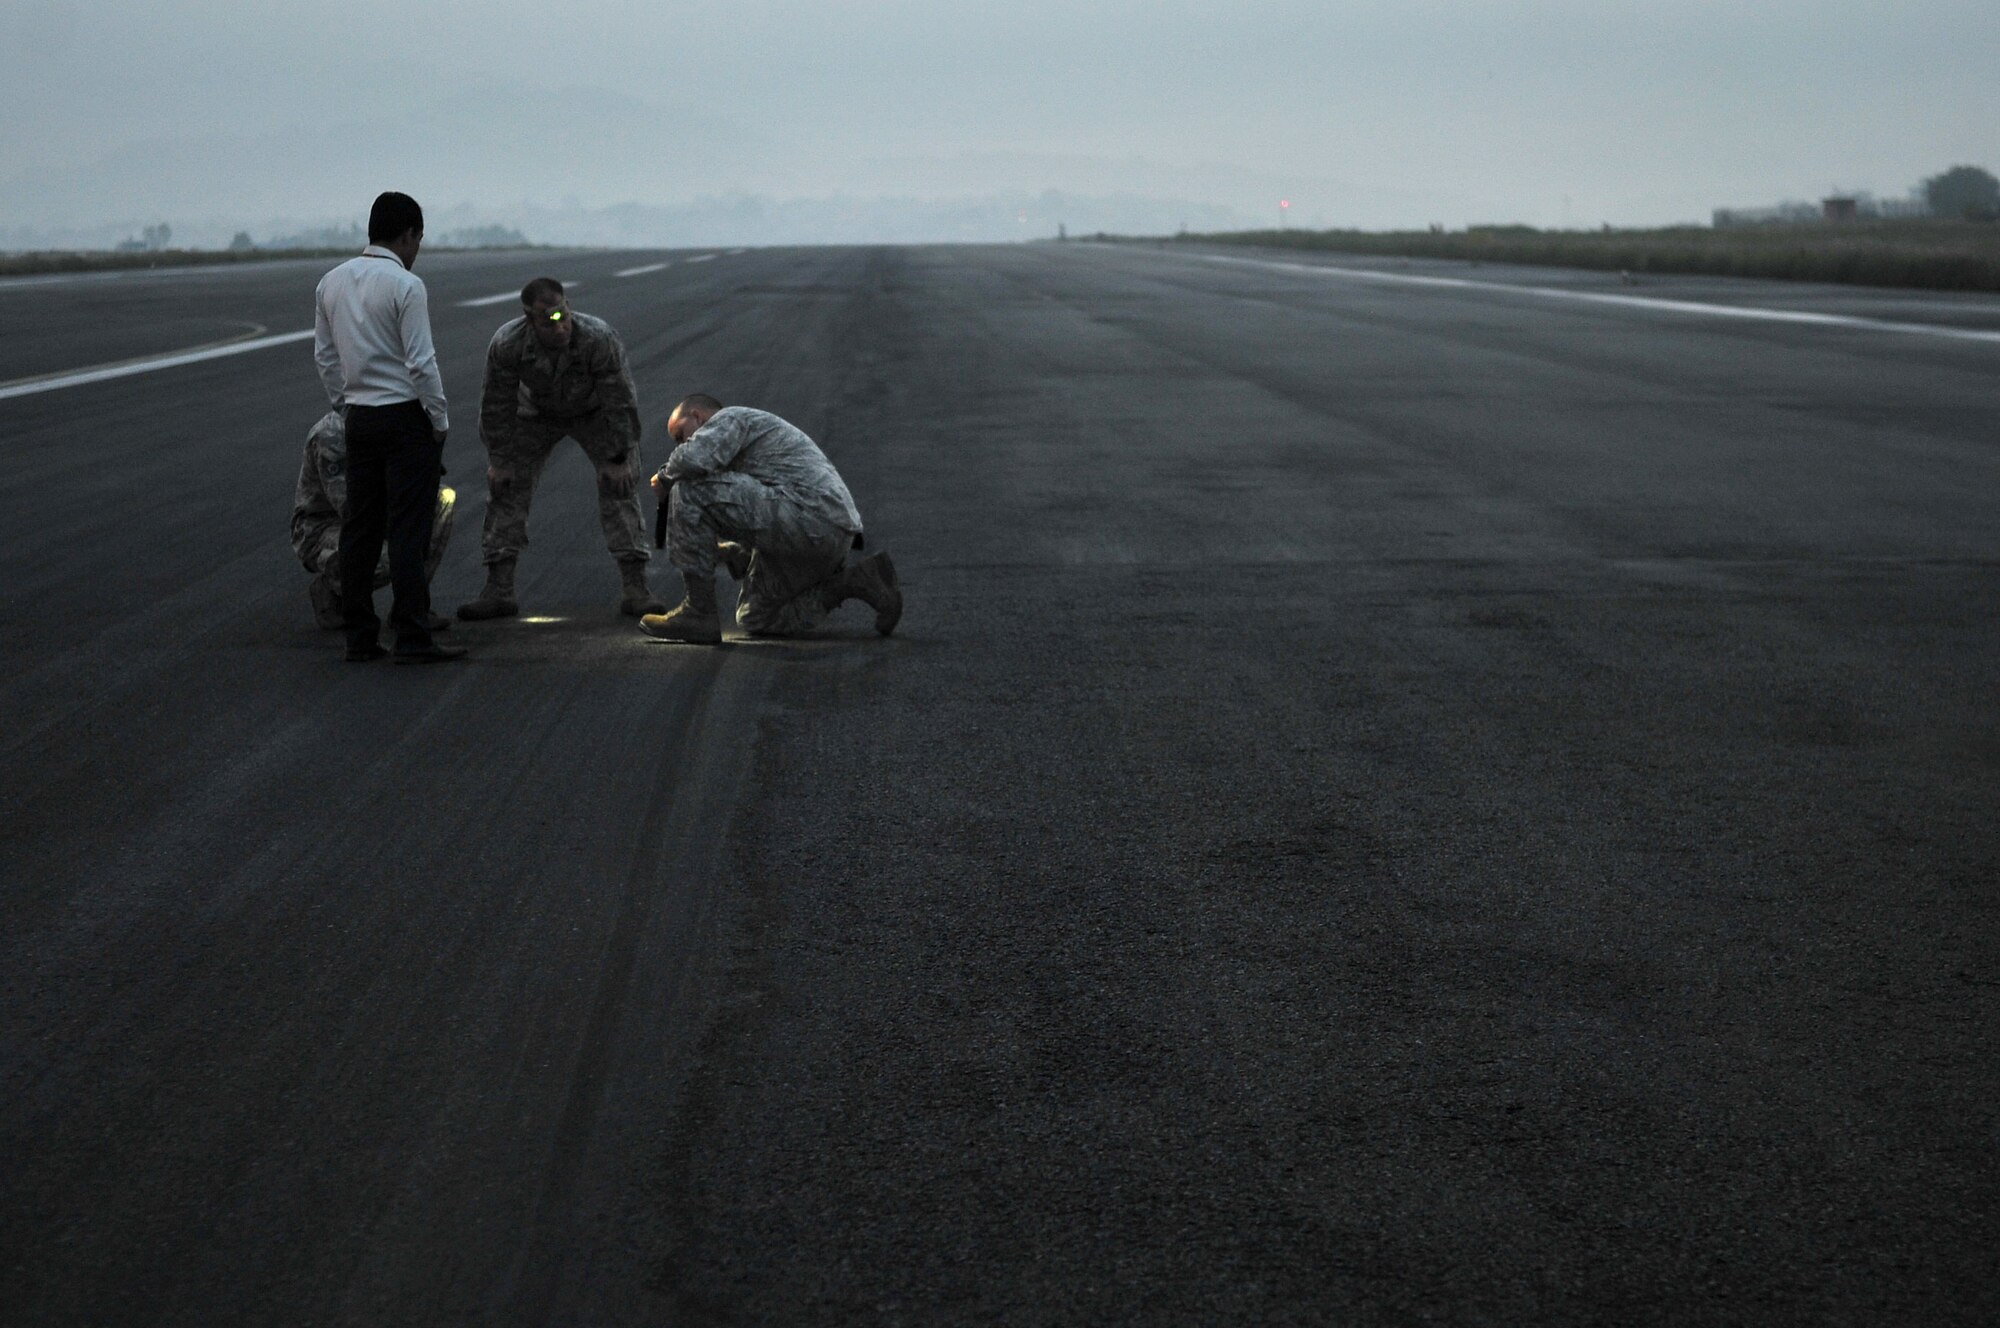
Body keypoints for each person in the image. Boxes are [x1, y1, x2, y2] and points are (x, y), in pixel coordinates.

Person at [312, 190, 465, 663]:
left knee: (360, 528)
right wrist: (438, 420)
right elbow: (422, 362)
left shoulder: (330, 282)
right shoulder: (405, 286)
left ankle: (360, 636)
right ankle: (413, 635)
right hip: (404, 417)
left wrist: (346, 405)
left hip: (359, 417)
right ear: (409, 235)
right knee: (407, 530)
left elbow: (325, 357)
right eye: (418, 240)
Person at [457, 278, 665, 620]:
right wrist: (500, 459)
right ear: (529, 320)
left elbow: (621, 400)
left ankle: (636, 587)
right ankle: (498, 589)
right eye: (549, 321)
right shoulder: (508, 344)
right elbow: (495, 404)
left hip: (594, 413)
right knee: (506, 489)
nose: (561, 327)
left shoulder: (597, 337)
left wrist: (617, 457)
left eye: (564, 315)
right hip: (535, 415)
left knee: (620, 486)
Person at [641, 395, 901, 644]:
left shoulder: (729, 418)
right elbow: (755, 510)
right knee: (755, 617)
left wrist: (665, 478)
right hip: (821, 536)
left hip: (812, 515)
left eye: (680, 435)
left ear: (697, 416)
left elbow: (692, 458)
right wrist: (729, 551)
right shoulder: (737, 452)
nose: (680, 444)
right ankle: (855, 583)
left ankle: (698, 611)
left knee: (688, 489)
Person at [291, 410, 456, 631]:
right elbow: (351, 510)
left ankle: (411, 606)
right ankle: (332, 587)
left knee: (441, 499)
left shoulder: (394, 418)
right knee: (392, 557)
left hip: (377, 510)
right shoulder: (332, 434)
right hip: (322, 526)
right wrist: (403, 527)